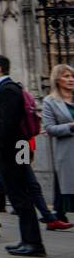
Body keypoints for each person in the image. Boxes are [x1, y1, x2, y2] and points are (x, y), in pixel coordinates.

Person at [0, 54, 45, 256]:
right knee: (21, 194)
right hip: (19, 147)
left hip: (12, 150)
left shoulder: (7, 90)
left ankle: (33, 243)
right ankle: (28, 240)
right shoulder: (5, 88)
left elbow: (6, 126)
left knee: (20, 196)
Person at [41, 63, 74, 226]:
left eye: (72, 76)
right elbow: (48, 128)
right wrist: (70, 126)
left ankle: (58, 215)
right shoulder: (50, 101)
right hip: (66, 151)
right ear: (57, 79)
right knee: (66, 185)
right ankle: (59, 214)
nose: (71, 79)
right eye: (66, 76)